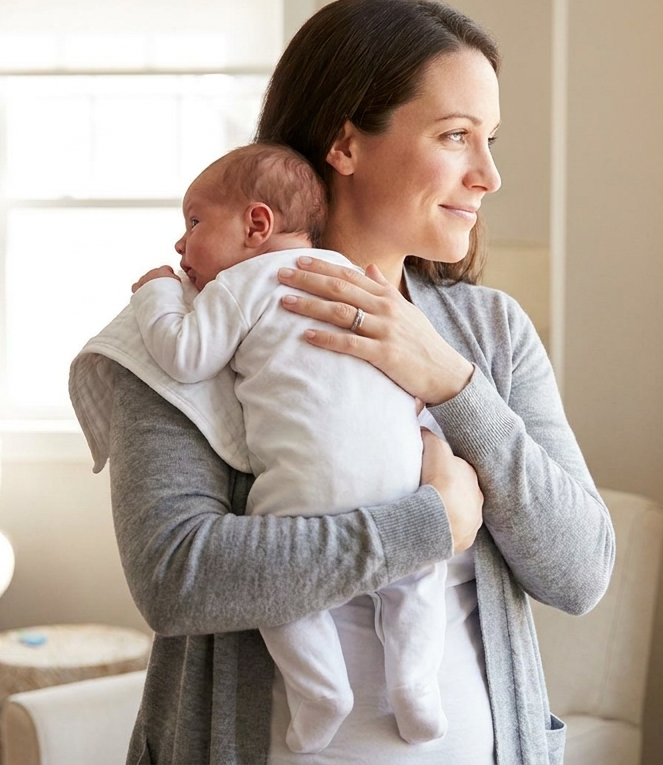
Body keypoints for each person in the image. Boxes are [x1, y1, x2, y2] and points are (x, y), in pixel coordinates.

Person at [99, 0, 616, 763]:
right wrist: (426, 525)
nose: (489, 175)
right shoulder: (186, 330)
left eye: (491, 139)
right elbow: (177, 578)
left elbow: (580, 573)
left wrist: (451, 385)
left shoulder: (490, 335)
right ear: (345, 142)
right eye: (454, 136)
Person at [128, 142, 450, 753]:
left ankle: (321, 689)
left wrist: (156, 295)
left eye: (194, 222)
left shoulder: (240, 285)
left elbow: (185, 355)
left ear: (256, 224)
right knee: (416, 580)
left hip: (307, 490)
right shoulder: (359, 283)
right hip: (400, 478)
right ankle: (415, 683)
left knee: (283, 587)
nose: (180, 245)